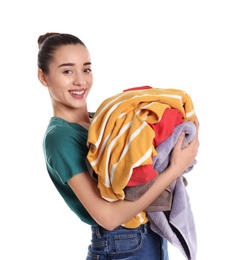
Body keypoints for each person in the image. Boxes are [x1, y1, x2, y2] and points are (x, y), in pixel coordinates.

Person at [37, 32, 200, 260]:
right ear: (43, 77)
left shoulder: (102, 122)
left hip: (147, 236)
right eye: (67, 71)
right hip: (121, 242)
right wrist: (174, 168)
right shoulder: (60, 137)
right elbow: (109, 217)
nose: (80, 81)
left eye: (86, 69)